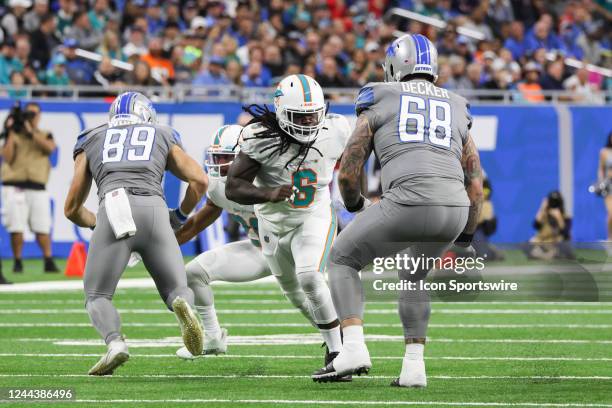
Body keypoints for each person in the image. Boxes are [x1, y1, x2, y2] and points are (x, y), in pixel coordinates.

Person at [312, 34, 483, 387]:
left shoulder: (380, 94)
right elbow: (475, 179)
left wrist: (357, 204)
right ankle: (414, 368)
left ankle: (353, 347)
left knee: (342, 259)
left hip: (408, 200)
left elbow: (349, 167)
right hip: (454, 208)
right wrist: (466, 237)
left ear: (395, 65)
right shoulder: (456, 103)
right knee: (413, 275)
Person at [64, 92, 208, 375]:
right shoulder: (162, 133)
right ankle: (183, 307)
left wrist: (96, 223)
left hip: (114, 207)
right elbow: (200, 181)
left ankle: (115, 343)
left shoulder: (91, 137)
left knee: (97, 295)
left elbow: (71, 208)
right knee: (177, 290)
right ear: (147, 116)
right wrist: (178, 216)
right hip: (155, 209)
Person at [225, 74, 351, 380]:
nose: (308, 122)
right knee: (296, 295)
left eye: (313, 114)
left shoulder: (336, 130)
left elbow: (353, 165)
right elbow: (233, 186)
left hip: (313, 214)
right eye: (300, 115)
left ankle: (340, 354)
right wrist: (267, 193)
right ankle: (336, 340)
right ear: (282, 112)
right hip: (270, 221)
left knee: (310, 276)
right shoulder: (260, 137)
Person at [173, 124, 314, 359]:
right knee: (194, 273)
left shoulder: (270, 179)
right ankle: (213, 338)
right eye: (216, 157)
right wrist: (163, 245)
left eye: (226, 158)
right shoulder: (218, 186)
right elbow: (199, 221)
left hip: (291, 249)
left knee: (307, 300)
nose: (219, 164)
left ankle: (339, 339)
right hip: (260, 251)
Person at [1, 102, 59, 273]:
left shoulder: (45, 134)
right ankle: (17, 261)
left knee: (42, 226)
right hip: (14, 186)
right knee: (16, 227)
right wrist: (11, 131)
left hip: (38, 186)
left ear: (39, 115)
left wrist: (31, 131)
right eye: (28, 114)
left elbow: (50, 149)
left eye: (34, 114)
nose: (31, 117)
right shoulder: (13, 135)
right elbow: (7, 158)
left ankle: (48, 260)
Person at [524, 191, 574, 260]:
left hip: (556, 243)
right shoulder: (544, 214)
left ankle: (547, 255)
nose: (554, 205)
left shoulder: (565, 216)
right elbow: (536, 225)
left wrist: (559, 218)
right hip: (543, 242)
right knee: (527, 245)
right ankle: (547, 255)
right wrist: (542, 208)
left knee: (565, 247)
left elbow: (566, 234)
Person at [596, 132, 612, 241]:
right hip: (609, 186)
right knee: (611, 213)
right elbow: (601, 169)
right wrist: (601, 182)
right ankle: (610, 238)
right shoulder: (604, 152)